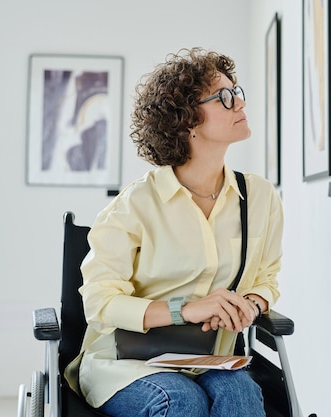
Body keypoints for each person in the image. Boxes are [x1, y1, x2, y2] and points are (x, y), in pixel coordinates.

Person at [64, 48, 283, 417]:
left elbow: (267, 279)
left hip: (211, 358)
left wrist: (250, 304)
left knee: (241, 395)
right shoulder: (134, 205)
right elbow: (99, 302)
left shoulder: (259, 198)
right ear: (186, 122)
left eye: (237, 91)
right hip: (125, 364)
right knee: (180, 400)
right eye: (225, 97)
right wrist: (189, 310)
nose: (240, 102)